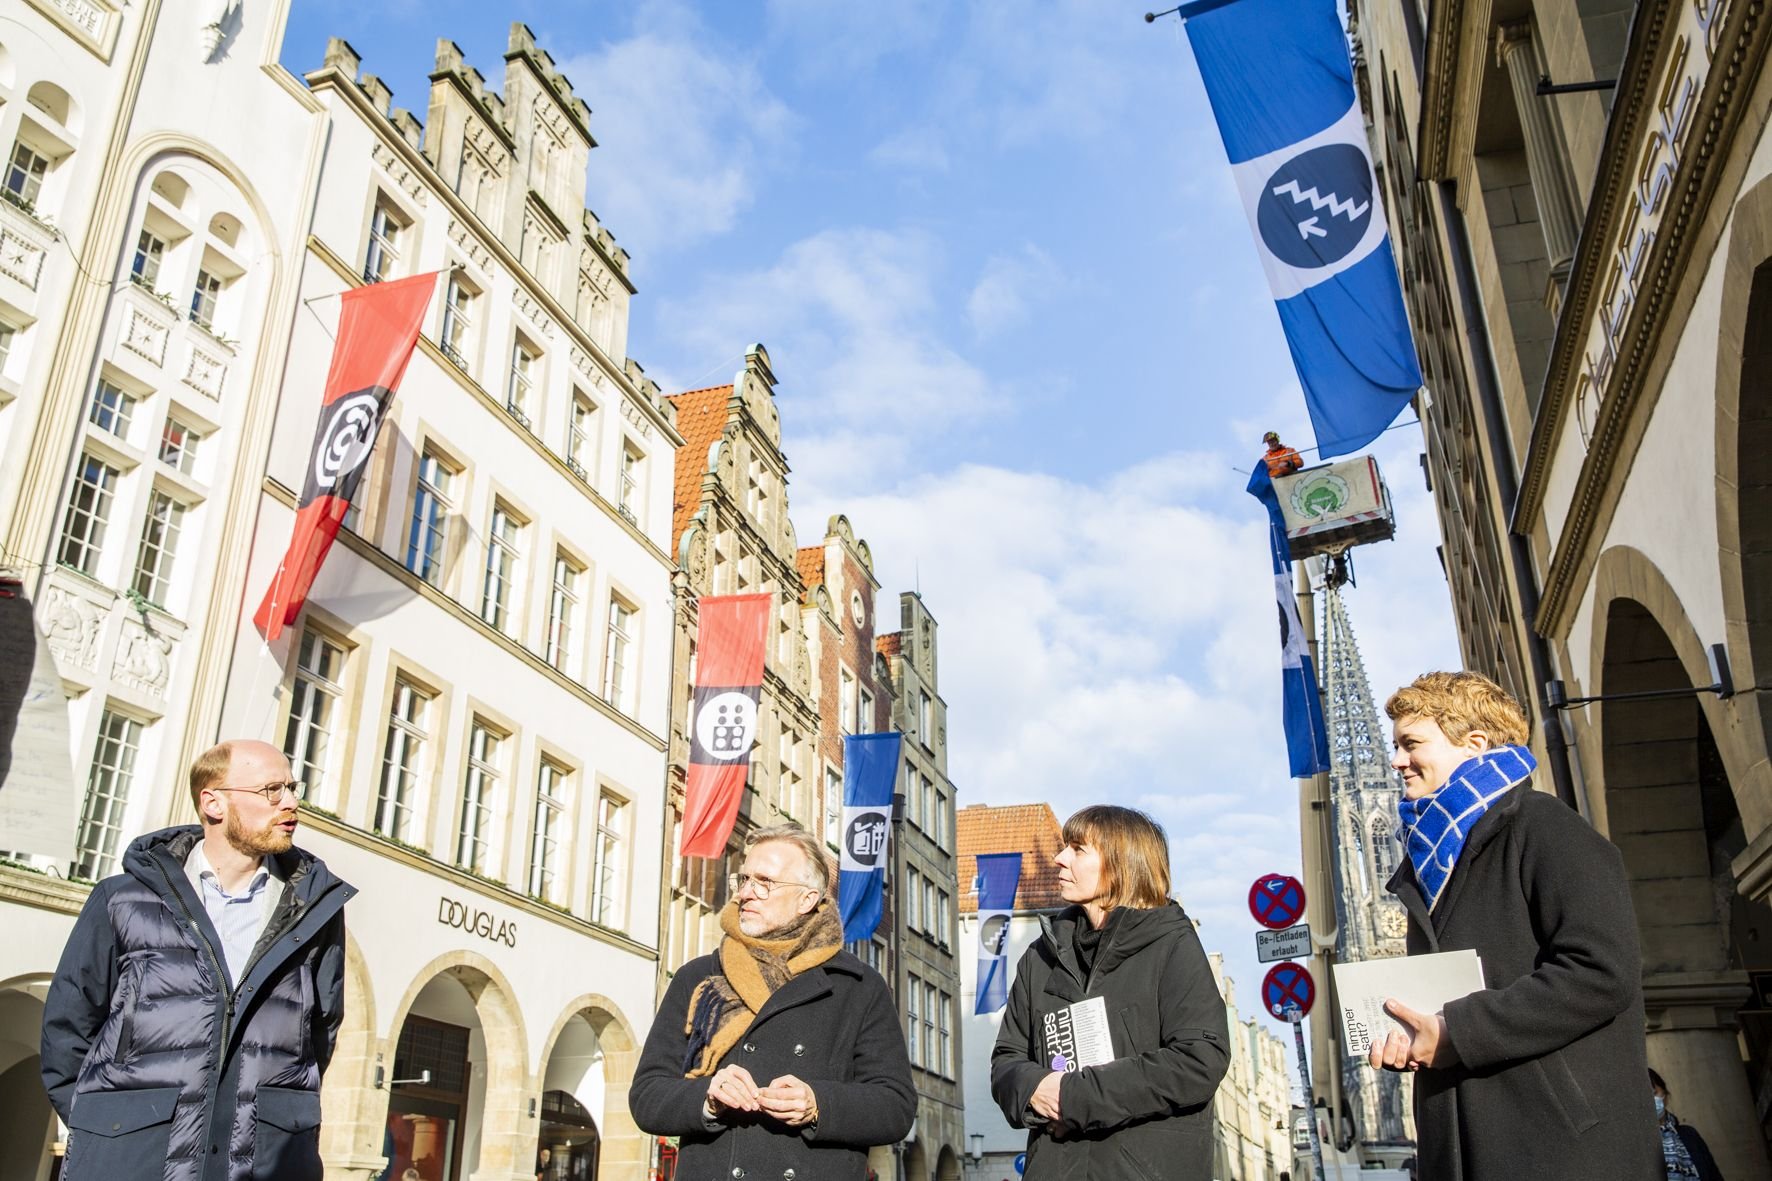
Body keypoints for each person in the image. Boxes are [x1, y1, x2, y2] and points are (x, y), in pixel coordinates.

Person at [1368, 671, 1659, 1180]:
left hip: (1561, 1150)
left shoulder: (1543, 825)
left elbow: (1601, 972)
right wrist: (1416, 1037)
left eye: (1411, 744)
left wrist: (1457, 1031)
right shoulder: (1430, 864)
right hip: (1470, 1145)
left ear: (1474, 744)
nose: (1396, 761)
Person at [41, 739, 355, 1181]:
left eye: (292, 787)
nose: (291, 802)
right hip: (133, 1162)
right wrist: (107, 1128)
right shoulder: (122, 900)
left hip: (261, 1162)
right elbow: (68, 1030)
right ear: (213, 802)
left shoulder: (315, 911)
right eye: (272, 790)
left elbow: (318, 1035)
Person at [629, 823, 914, 1179]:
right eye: (744, 879)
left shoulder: (858, 986)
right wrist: (707, 1097)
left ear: (807, 899)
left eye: (764, 882)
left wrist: (817, 1104)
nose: (745, 894)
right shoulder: (699, 978)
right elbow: (646, 1096)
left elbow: (896, 1106)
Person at [990, 805, 1230, 1180]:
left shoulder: (1171, 944)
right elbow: (1006, 1060)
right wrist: (1032, 1091)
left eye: (1077, 850)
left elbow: (1200, 1059)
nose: (1059, 858)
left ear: (1120, 865)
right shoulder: (1040, 957)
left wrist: (1075, 1096)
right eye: (1063, 848)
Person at [1650, 1069, 1724, 1181]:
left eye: (1654, 1093)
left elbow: (1713, 1175)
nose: (1651, 1101)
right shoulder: (1637, 1141)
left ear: (1664, 1093)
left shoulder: (1689, 1134)